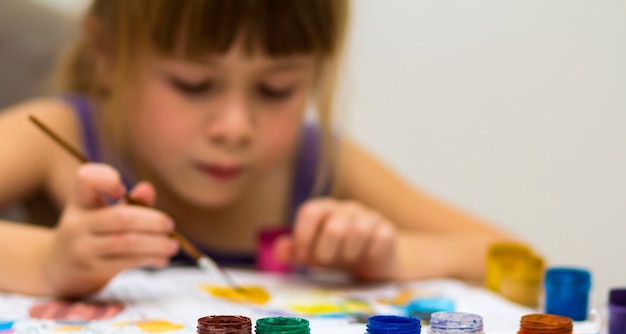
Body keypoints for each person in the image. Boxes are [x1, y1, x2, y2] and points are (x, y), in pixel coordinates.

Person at [0, 0, 519, 298]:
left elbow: (523, 263)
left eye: (276, 90)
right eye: (193, 83)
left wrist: (392, 255)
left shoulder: (313, 163)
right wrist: (47, 261)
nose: (235, 127)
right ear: (108, 54)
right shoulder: (58, 134)